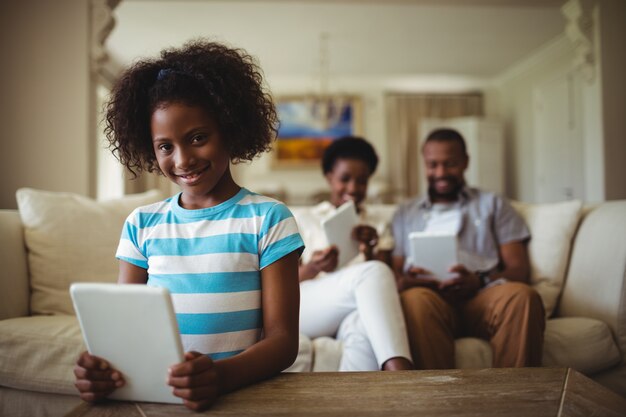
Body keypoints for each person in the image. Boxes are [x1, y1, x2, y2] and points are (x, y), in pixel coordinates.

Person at [73, 40, 304, 411]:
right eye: (165, 146)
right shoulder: (141, 225)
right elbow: (125, 332)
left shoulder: (269, 219)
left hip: (236, 397)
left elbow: (283, 342)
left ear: (229, 128)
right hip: (159, 399)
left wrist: (220, 376)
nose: (182, 159)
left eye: (198, 138)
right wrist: (101, 370)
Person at [392, 128, 545, 369]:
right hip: (430, 300)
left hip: (482, 298)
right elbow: (397, 276)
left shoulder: (492, 204)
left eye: (450, 164)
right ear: (424, 164)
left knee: (522, 296)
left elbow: (518, 269)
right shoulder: (405, 213)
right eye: (432, 165)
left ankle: (515, 398)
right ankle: (436, 400)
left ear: (465, 161)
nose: (440, 173)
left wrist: (479, 280)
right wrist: (410, 281)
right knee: (413, 300)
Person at [295, 136, 413, 371]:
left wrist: (369, 251)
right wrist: (315, 267)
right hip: (308, 305)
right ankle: (401, 372)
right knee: (374, 272)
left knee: (363, 324)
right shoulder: (304, 219)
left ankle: (355, 404)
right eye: (345, 179)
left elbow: (388, 283)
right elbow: (282, 282)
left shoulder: (378, 224)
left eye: (361, 181)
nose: (353, 188)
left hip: (356, 307)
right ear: (329, 177)